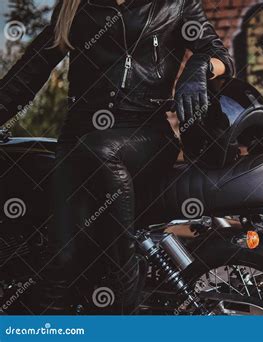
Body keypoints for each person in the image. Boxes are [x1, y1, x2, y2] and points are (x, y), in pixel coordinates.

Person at [0, 0, 234, 314]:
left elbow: (219, 55)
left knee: (100, 151)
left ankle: (125, 300)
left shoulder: (175, 4)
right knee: (60, 261)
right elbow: (31, 71)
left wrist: (199, 67)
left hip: (144, 136)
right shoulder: (75, 7)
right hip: (79, 142)